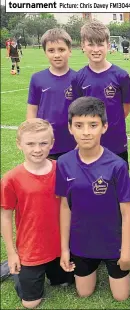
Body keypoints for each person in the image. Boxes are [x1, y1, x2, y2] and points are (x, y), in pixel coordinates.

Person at [56, 97, 130, 301]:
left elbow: (127, 212)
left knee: (121, 296)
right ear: (70, 128)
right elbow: (65, 207)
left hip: (112, 243)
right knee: (84, 292)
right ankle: (90, 263)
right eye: (79, 125)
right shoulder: (63, 163)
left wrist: (125, 253)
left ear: (104, 127)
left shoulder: (117, 165)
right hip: (82, 242)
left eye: (93, 125)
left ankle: (109, 262)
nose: (86, 132)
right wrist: (64, 250)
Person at [1, 119, 73, 309]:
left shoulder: (62, 170)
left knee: (66, 283)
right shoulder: (11, 179)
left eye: (43, 143)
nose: (37, 149)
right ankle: (15, 270)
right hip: (31, 249)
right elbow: (5, 217)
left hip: (60, 247)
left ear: (52, 143)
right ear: (19, 144)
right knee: (31, 303)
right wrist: (11, 253)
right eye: (30, 143)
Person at [72, 20, 130, 165]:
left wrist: (110, 123)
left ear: (108, 45)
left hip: (116, 142)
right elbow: (77, 111)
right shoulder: (78, 78)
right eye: (90, 44)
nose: (96, 49)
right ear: (83, 46)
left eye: (100, 44)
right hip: (89, 142)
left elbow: (125, 108)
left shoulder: (121, 76)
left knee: (118, 182)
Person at [26, 28, 77, 160]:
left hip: (73, 144)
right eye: (51, 50)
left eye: (61, 49)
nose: (56, 55)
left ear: (70, 51)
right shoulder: (37, 78)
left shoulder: (78, 79)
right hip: (45, 144)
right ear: (45, 53)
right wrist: (33, 138)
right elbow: (32, 109)